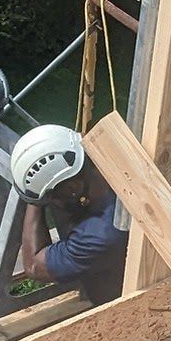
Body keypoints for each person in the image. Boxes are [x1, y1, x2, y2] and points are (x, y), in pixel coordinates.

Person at [12, 123, 128, 306]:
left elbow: (34, 266)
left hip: (137, 317)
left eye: (51, 200)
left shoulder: (99, 235)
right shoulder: (113, 157)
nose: (52, 205)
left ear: (73, 188)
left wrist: (34, 200)